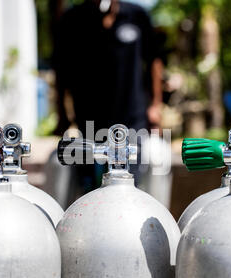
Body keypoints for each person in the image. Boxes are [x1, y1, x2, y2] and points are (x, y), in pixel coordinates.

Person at [52, 0, 164, 195]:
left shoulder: (137, 16)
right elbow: (61, 71)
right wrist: (61, 113)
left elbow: (154, 60)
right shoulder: (73, 19)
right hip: (88, 121)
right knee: (86, 186)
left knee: (129, 182)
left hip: (131, 120)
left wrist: (155, 105)